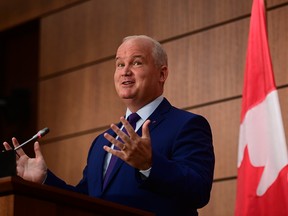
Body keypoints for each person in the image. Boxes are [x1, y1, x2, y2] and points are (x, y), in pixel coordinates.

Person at [3, 35, 215, 216]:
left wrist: (149, 165)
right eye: (120, 64)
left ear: (162, 74)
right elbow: (86, 200)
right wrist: (44, 179)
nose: (125, 71)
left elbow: (198, 191)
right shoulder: (101, 142)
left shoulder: (187, 125)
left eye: (137, 62)